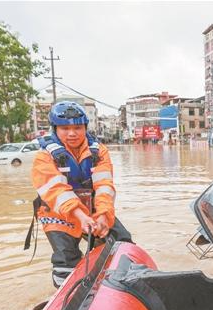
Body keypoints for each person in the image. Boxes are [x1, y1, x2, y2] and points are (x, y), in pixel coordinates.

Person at [30, 101, 132, 288]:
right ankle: (65, 295)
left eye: (77, 127)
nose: (72, 133)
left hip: (93, 210)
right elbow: (56, 192)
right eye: (65, 128)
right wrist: (80, 216)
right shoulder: (44, 156)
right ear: (55, 129)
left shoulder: (99, 151)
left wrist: (103, 215)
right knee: (65, 261)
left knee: (123, 242)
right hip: (57, 215)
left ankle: (115, 287)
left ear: (85, 127)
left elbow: (104, 187)